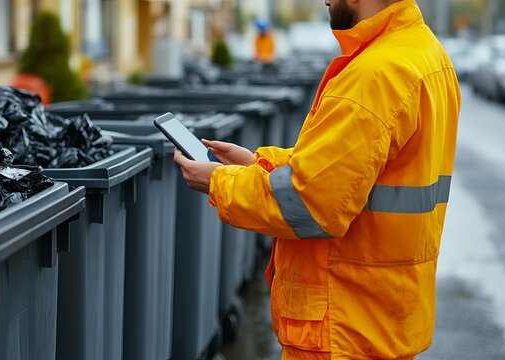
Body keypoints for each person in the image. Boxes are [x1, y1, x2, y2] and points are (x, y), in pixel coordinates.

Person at [173, 0, 461, 359]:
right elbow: (348, 173)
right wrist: (257, 164)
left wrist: (219, 182)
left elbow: (309, 203)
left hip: (343, 328)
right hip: (380, 316)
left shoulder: (376, 74)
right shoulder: (426, 56)